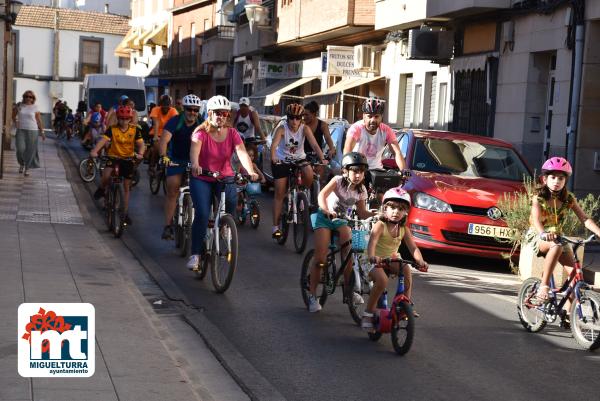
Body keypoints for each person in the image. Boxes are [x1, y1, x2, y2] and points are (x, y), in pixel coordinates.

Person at [187, 95, 258, 270]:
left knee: (233, 200)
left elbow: (242, 153)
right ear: (209, 113)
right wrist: (195, 165)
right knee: (203, 214)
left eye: (225, 113)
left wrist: (250, 171)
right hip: (202, 176)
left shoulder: (232, 133)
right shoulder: (200, 132)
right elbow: (194, 151)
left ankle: (226, 224)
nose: (222, 117)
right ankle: (195, 254)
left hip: (224, 176)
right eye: (218, 113)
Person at [526, 157, 600, 306]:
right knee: (556, 245)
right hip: (539, 235)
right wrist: (543, 233)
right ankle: (544, 286)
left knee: (576, 275)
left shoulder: (568, 199)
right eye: (552, 177)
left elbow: (584, 219)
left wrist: (598, 232)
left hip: (557, 237)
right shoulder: (538, 197)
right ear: (545, 179)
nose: (556, 181)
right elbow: (536, 219)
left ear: (565, 181)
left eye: (561, 178)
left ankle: (568, 314)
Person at [306, 152, 373, 313]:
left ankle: (349, 289)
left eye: (361, 172)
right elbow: (322, 195)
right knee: (321, 258)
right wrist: (326, 209)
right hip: (324, 218)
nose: (358, 175)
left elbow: (362, 212)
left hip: (341, 220)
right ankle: (312, 295)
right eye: (355, 171)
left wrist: (375, 215)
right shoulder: (337, 181)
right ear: (345, 171)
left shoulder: (361, 190)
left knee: (349, 250)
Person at [363, 187, 428, 329]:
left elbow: (413, 248)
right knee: (382, 280)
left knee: (406, 270)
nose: (396, 212)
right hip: (372, 258)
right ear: (384, 209)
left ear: (406, 212)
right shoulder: (381, 225)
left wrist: (420, 261)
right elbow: (372, 243)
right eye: (391, 208)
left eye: (400, 209)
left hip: (391, 258)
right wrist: (373, 257)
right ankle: (368, 313)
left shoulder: (404, 228)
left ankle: (405, 304)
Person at [270, 103, 327, 239]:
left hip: (299, 159)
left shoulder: (305, 128)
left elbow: (314, 144)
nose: (294, 121)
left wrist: (322, 158)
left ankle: (301, 194)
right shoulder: (282, 129)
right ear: (288, 118)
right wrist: (273, 157)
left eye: (297, 118)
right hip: (282, 160)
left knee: (308, 172)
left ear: (301, 119)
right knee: (279, 192)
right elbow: (274, 146)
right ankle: (276, 226)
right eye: (291, 118)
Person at [158, 94, 204, 240]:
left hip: (196, 161)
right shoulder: (175, 121)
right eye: (189, 109)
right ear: (184, 109)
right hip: (176, 159)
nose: (192, 113)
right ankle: (167, 226)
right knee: (173, 188)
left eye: (195, 110)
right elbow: (164, 140)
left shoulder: (202, 123)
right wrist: (164, 156)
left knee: (204, 190)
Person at [90, 106, 145, 226]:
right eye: (121, 119)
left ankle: (124, 213)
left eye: (126, 119)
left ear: (130, 119)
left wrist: (140, 153)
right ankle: (102, 189)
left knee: (126, 187)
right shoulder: (112, 129)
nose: (123, 121)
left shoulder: (135, 130)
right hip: (113, 157)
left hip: (128, 159)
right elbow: (103, 141)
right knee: (106, 176)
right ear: (118, 118)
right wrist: (95, 151)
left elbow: (141, 144)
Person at [343, 97, 406, 172]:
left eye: (376, 116)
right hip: (358, 171)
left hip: (377, 171)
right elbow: (347, 152)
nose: (373, 120)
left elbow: (397, 153)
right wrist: (346, 170)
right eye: (369, 116)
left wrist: (404, 171)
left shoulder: (387, 130)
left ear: (381, 117)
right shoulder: (356, 129)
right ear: (364, 116)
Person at [302, 100, 336, 185]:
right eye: (303, 115)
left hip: (317, 154)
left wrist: (332, 149)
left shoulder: (322, 125)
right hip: (302, 154)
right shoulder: (302, 125)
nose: (304, 117)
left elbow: (328, 138)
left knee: (319, 180)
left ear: (314, 114)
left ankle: (317, 195)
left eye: (307, 115)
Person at [12, 90, 45, 176]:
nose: (28, 98)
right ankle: (21, 163)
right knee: (20, 149)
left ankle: (27, 168)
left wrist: (42, 131)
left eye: (30, 97)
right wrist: (15, 122)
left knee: (30, 151)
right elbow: (13, 115)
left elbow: (39, 120)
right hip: (21, 130)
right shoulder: (19, 106)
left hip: (33, 130)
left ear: (33, 98)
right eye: (26, 96)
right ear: (23, 97)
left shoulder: (35, 107)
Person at [149, 95, 179, 171]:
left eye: (167, 107)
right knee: (156, 147)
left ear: (170, 106)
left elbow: (175, 124)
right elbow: (156, 123)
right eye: (164, 106)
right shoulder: (155, 109)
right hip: (157, 133)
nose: (165, 108)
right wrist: (155, 137)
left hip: (169, 133)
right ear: (160, 105)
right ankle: (152, 165)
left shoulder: (173, 111)